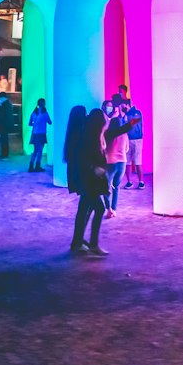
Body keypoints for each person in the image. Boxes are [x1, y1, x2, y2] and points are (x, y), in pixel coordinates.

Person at [70, 107, 130, 257]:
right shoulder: (90, 138)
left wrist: (131, 123)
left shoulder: (97, 134)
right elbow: (83, 159)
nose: (107, 119)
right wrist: (95, 169)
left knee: (85, 209)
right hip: (90, 181)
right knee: (99, 208)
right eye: (105, 117)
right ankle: (92, 244)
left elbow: (117, 131)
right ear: (100, 122)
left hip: (91, 180)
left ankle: (78, 242)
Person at [62, 105, 87, 196]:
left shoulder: (72, 131)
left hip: (75, 169)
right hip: (82, 169)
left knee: (86, 199)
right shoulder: (82, 131)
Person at [121, 99, 145, 190]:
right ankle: (129, 182)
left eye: (124, 106)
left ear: (128, 105)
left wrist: (126, 114)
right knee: (127, 162)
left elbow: (133, 123)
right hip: (127, 139)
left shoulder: (136, 112)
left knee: (138, 161)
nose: (122, 108)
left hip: (137, 140)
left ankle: (141, 182)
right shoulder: (124, 115)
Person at [28, 98, 51, 172]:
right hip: (42, 133)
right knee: (40, 150)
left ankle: (31, 166)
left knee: (35, 150)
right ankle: (37, 166)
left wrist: (36, 124)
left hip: (35, 133)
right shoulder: (45, 113)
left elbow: (30, 123)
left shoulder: (34, 113)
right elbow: (50, 122)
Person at [0, 92, 12, 159]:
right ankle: (5, 154)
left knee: (4, 140)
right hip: (6, 124)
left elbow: (2, 115)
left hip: (3, 124)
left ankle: (4, 154)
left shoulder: (3, 104)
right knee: (5, 139)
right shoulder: (8, 103)